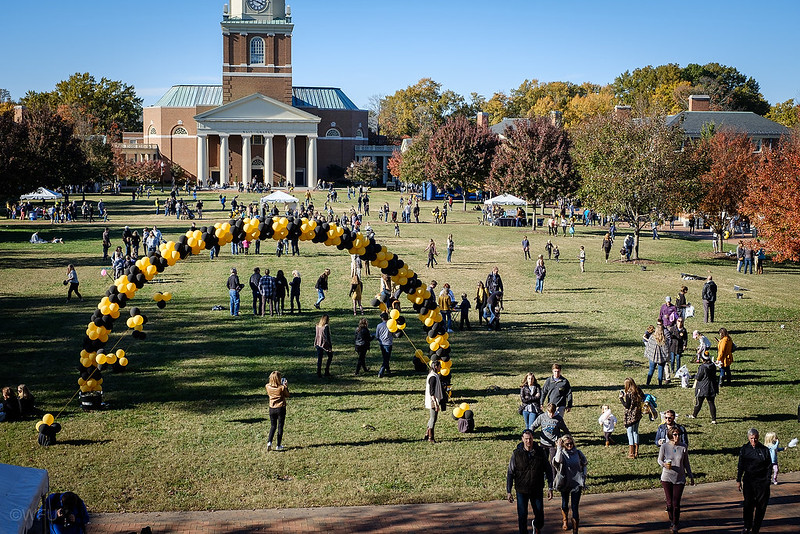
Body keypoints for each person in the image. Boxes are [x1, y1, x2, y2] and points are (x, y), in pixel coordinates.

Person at [506, 429, 554, 534]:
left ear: (533, 439)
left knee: (540, 515)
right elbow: (510, 472)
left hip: (536, 488)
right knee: (522, 515)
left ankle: (536, 525)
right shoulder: (516, 454)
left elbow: (548, 470)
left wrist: (550, 487)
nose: (528, 441)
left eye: (530, 439)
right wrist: (508, 491)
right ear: (522, 439)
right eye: (526, 439)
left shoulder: (540, 452)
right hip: (521, 489)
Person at [658, 427, 694, 533]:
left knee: (676, 503)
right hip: (666, 477)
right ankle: (671, 519)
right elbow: (659, 459)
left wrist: (691, 476)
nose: (677, 437)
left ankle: (675, 523)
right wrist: (664, 464)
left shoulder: (683, 447)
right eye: (674, 434)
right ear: (670, 435)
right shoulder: (664, 446)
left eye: (678, 434)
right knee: (669, 503)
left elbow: (686, 462)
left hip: (679, 478)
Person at [737, 428, 772, 534]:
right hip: (749, 481)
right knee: (748, 504)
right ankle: (747, 526)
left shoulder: (764, 450)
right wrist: (738, 480)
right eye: (752, 439)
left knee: (761, 506)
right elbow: (741, 465)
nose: (754, 441)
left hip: (762, 483)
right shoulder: (744, 449)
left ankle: (756, 528)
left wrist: (767, 480)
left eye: (756, 439)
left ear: (758, 437)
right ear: (748, 438)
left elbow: (769, 467)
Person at [553, 434, 587, 533]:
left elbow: (584, 464)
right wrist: (559, 447)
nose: (569, 446)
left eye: (571, 443)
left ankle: (575, 530)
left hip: (576, 483)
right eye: (567, 444)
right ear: (563, 444)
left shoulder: (578, 453)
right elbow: (558, 460)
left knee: (575, 507)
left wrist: (584, 476)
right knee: (564, 504)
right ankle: (565, 520)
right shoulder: (561, 453)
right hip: (564, 483)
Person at [688, 352, 718, 423]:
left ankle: (694, 415)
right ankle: (714, 419)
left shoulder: (702, 367)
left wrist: (692, 376)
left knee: (699, 402)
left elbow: (698, 377)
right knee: (711, 403)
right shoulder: (713, 365)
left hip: (702, 387)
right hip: (711, 386)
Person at [619, 377, 644, 459]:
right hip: (638, 414)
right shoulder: (638, 390)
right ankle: (637, 451)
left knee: (630, 433)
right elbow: (643, 397)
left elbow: (627, 405)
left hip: (630, 416)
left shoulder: (629, 393)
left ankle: (631, 453)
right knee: (635, 432)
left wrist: (621, 398)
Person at [265, 371, 289, 451]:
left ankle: (269, 442)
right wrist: (285, 387)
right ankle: (278, 445)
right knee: (280, 426)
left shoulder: (267, 386)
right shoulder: (281, 388)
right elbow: (287, 395)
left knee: (273, 426)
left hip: (272, 408)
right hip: (280, 408)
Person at [424, 360, 447, 443]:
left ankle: (427, 434)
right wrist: (436, 403)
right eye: (439, 366)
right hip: (433, 400)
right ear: (436, 367)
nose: (441, 367)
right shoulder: (433, 377)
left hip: (434, 400)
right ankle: (431, 437)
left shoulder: (434, 375)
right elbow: (432, 392)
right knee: (433, 419)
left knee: (432, 418)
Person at [375, 312, 393, 378]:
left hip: (382, 344)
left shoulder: (379, 325)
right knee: (386, 358)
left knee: (385, 357)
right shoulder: (390, 325)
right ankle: (381, 372)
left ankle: (387, 370)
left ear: (382, 318)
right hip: (388, 343)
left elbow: (377, 336)